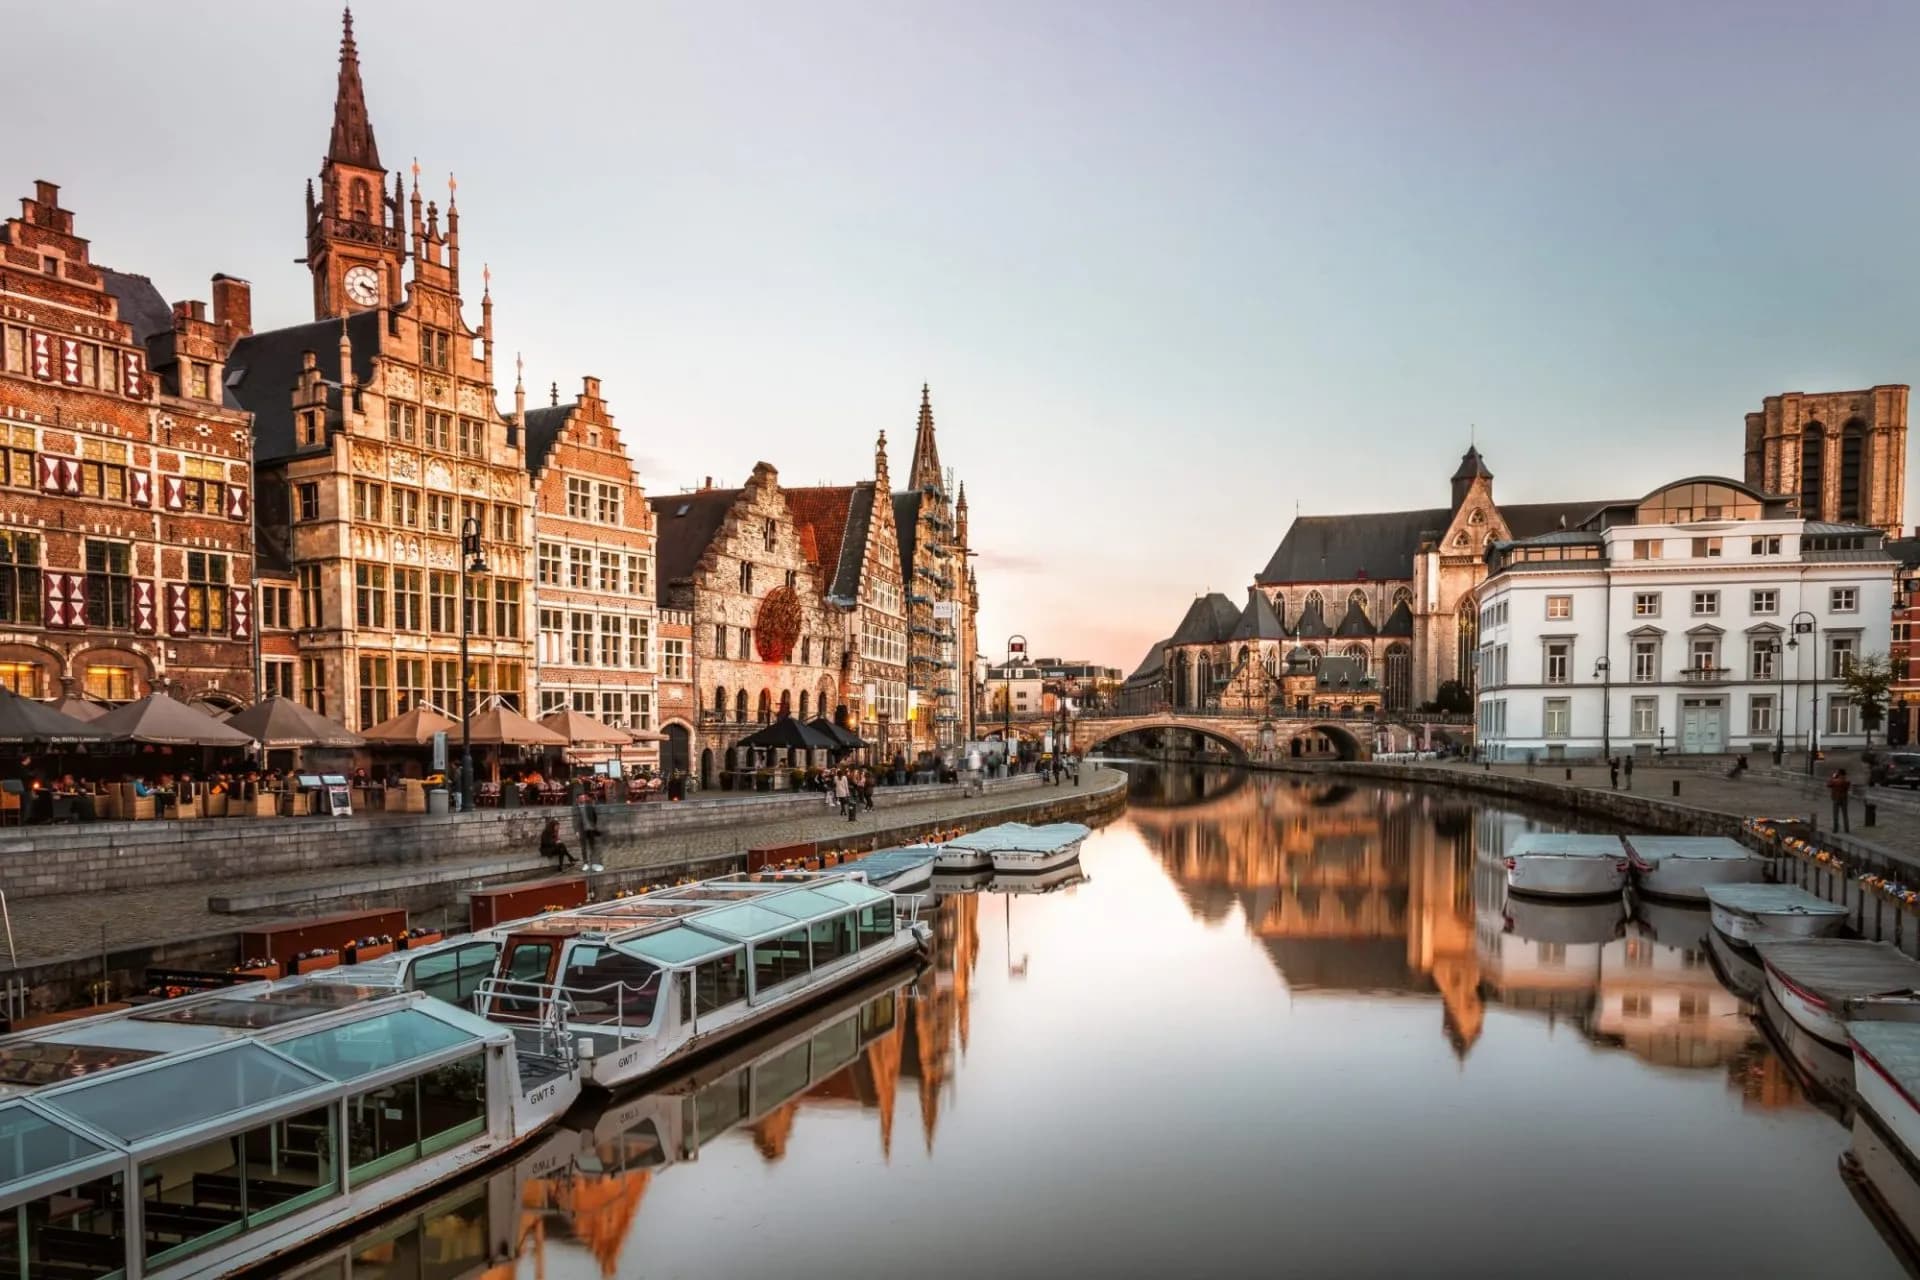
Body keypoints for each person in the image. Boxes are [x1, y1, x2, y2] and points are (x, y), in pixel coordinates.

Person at [1829, 767, 1853, 833]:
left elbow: (1829, 784)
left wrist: (1833, 777)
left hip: (1836, 798)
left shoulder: (1835, 781)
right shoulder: (1846, 781)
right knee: (1845, 814)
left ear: (1839, 773)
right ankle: (1847, 829)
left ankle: (1835, 828)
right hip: (1844, 798)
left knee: (1835, 814)